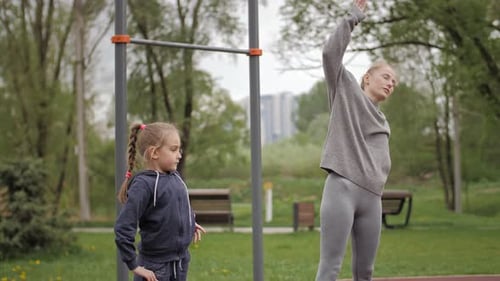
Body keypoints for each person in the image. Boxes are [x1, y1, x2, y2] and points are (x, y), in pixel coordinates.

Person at [315, 0, 398, 280]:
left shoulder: (383, 120)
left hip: (372, 198)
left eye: (394, 83)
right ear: (367, 78)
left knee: (366, 271)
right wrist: (353, 18)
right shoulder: (345, 89)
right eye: (386, 77)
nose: (390, 83)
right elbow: (329, 54)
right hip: (343, 189)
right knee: (331, 267)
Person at [115, 122, 206, 281]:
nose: (179, 155)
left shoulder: (175, 177)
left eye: (180, 149)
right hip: (154, 268)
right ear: (154, 153)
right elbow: (123, 227)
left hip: (180, 262)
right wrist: (135, 265)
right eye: (173, 149)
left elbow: (175, 206)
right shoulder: (144, 185)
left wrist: (189, 223)